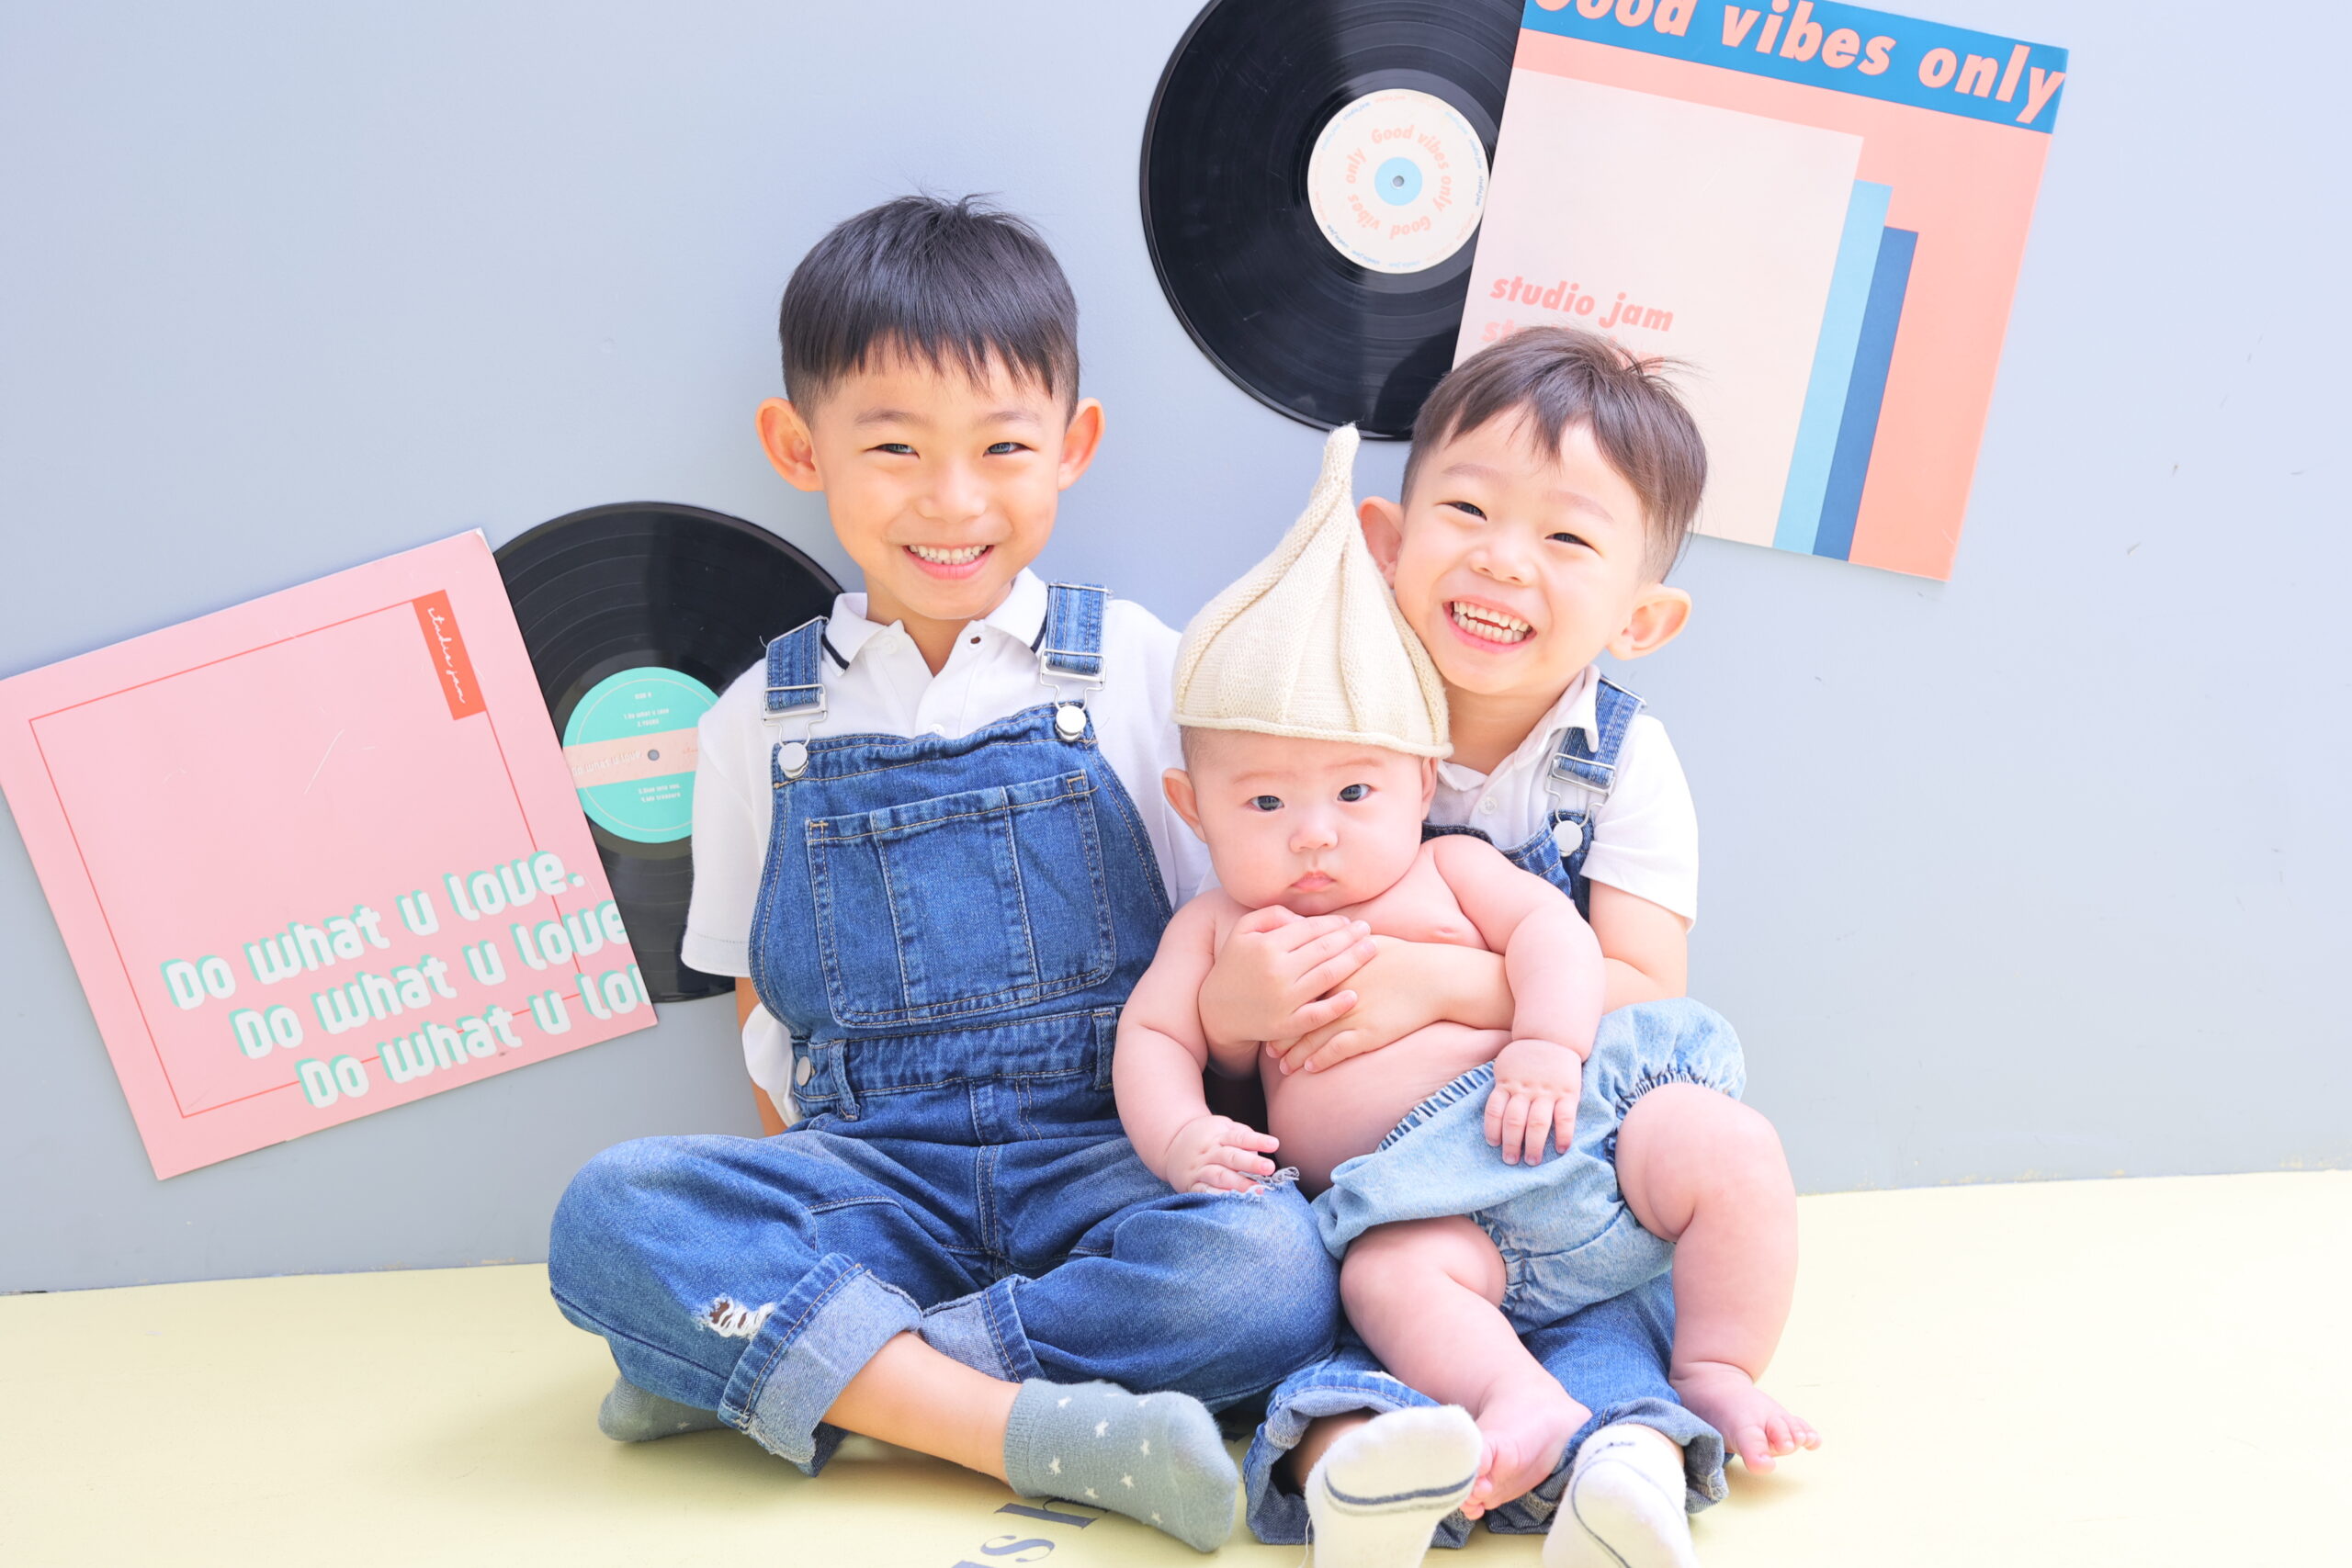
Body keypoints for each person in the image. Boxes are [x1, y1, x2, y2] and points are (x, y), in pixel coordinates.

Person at [542, 194, 1339, 1553]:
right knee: (612, 1212)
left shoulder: (1142, 667)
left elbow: (1225, 927)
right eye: (895, 447)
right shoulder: (757, 721)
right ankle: (1030, 1429)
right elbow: (759, 1005)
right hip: (876, 1179)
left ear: (1073, 445)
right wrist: (807, 1195)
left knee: (1272, 1273)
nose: (953, 499)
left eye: (1003, 447)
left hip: (1111, 1154)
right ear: (798, 447)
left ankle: (822, 1377)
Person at [1118, 414, 1809, 1566]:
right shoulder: (1230, 898)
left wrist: (1515, 1030)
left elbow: (1577, 950)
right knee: (1381, 1284)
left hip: (1569, 1138)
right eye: (1471, 511)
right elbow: (1152, 1035)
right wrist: (1193, 1113)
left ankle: (1713, 1370)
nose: (1313, 833)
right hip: (1412, 1206)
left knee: (1723, 1143)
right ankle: (1510, 1411)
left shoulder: (1463, 855)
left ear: (1417, 778)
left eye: (1355, 793)